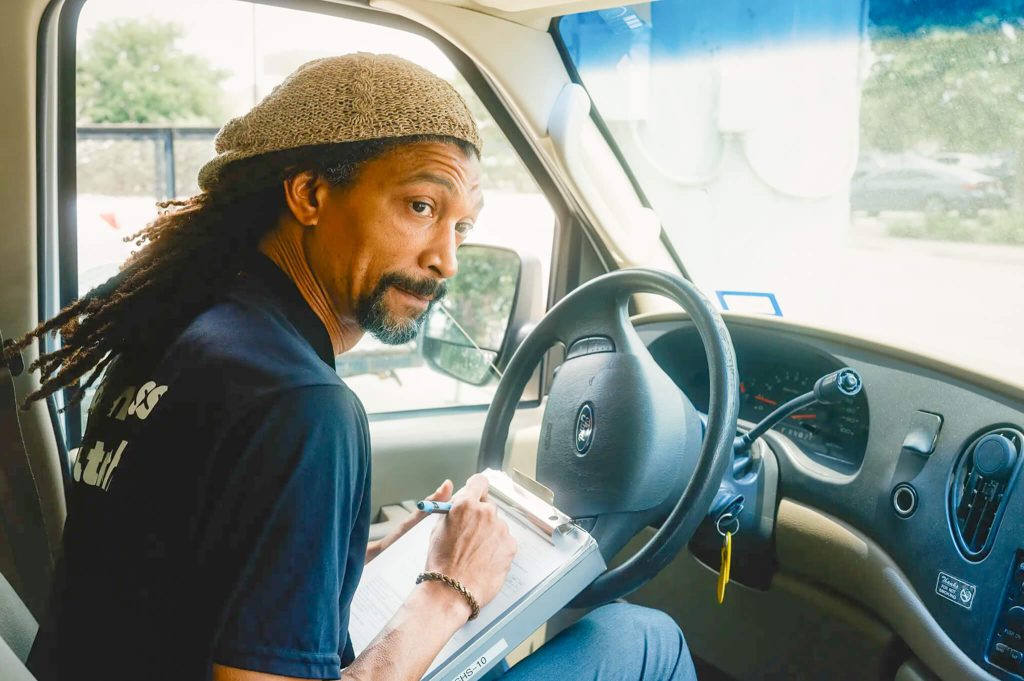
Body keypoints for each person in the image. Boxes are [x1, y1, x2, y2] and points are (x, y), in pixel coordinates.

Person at [8, 53, 697, 680]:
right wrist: (445, 590)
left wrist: (346, 559)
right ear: (309, 194)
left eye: (461, 227)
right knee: (643, 637)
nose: (446, 260)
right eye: (421, 206)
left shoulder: (175, 333)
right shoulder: (299, 403)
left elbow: (175, 585)